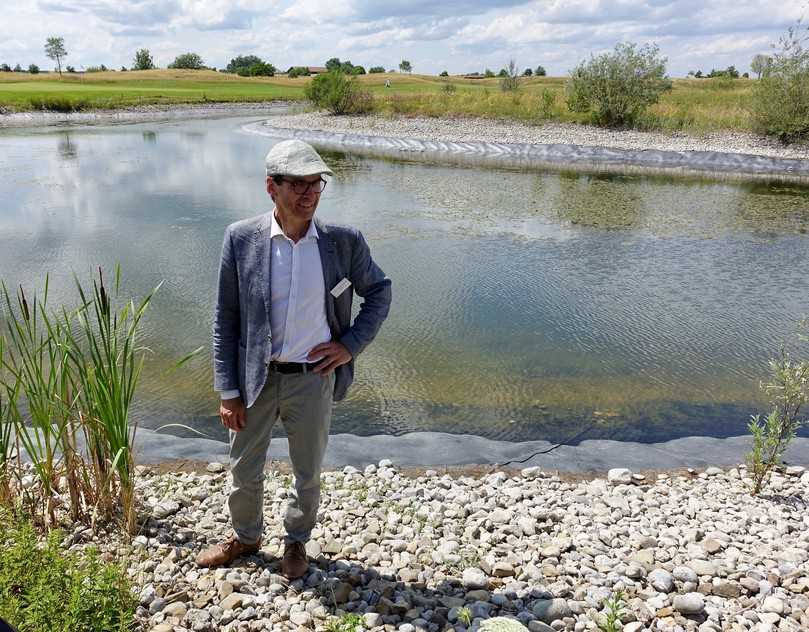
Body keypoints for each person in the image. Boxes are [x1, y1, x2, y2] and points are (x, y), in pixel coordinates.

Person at [196, 139, 392, 578]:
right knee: (244, 469)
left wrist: (349, 346)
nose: (309, 194)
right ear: (272, 187)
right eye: (298, 184)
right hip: (255, 380)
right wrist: (228, 390)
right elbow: (224, 318)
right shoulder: (240, 238)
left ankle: (296, 542)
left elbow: (379, 292)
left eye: (316, 184)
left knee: (308, 470)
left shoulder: (343, 242)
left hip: (313, 378)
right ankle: (246, 538)